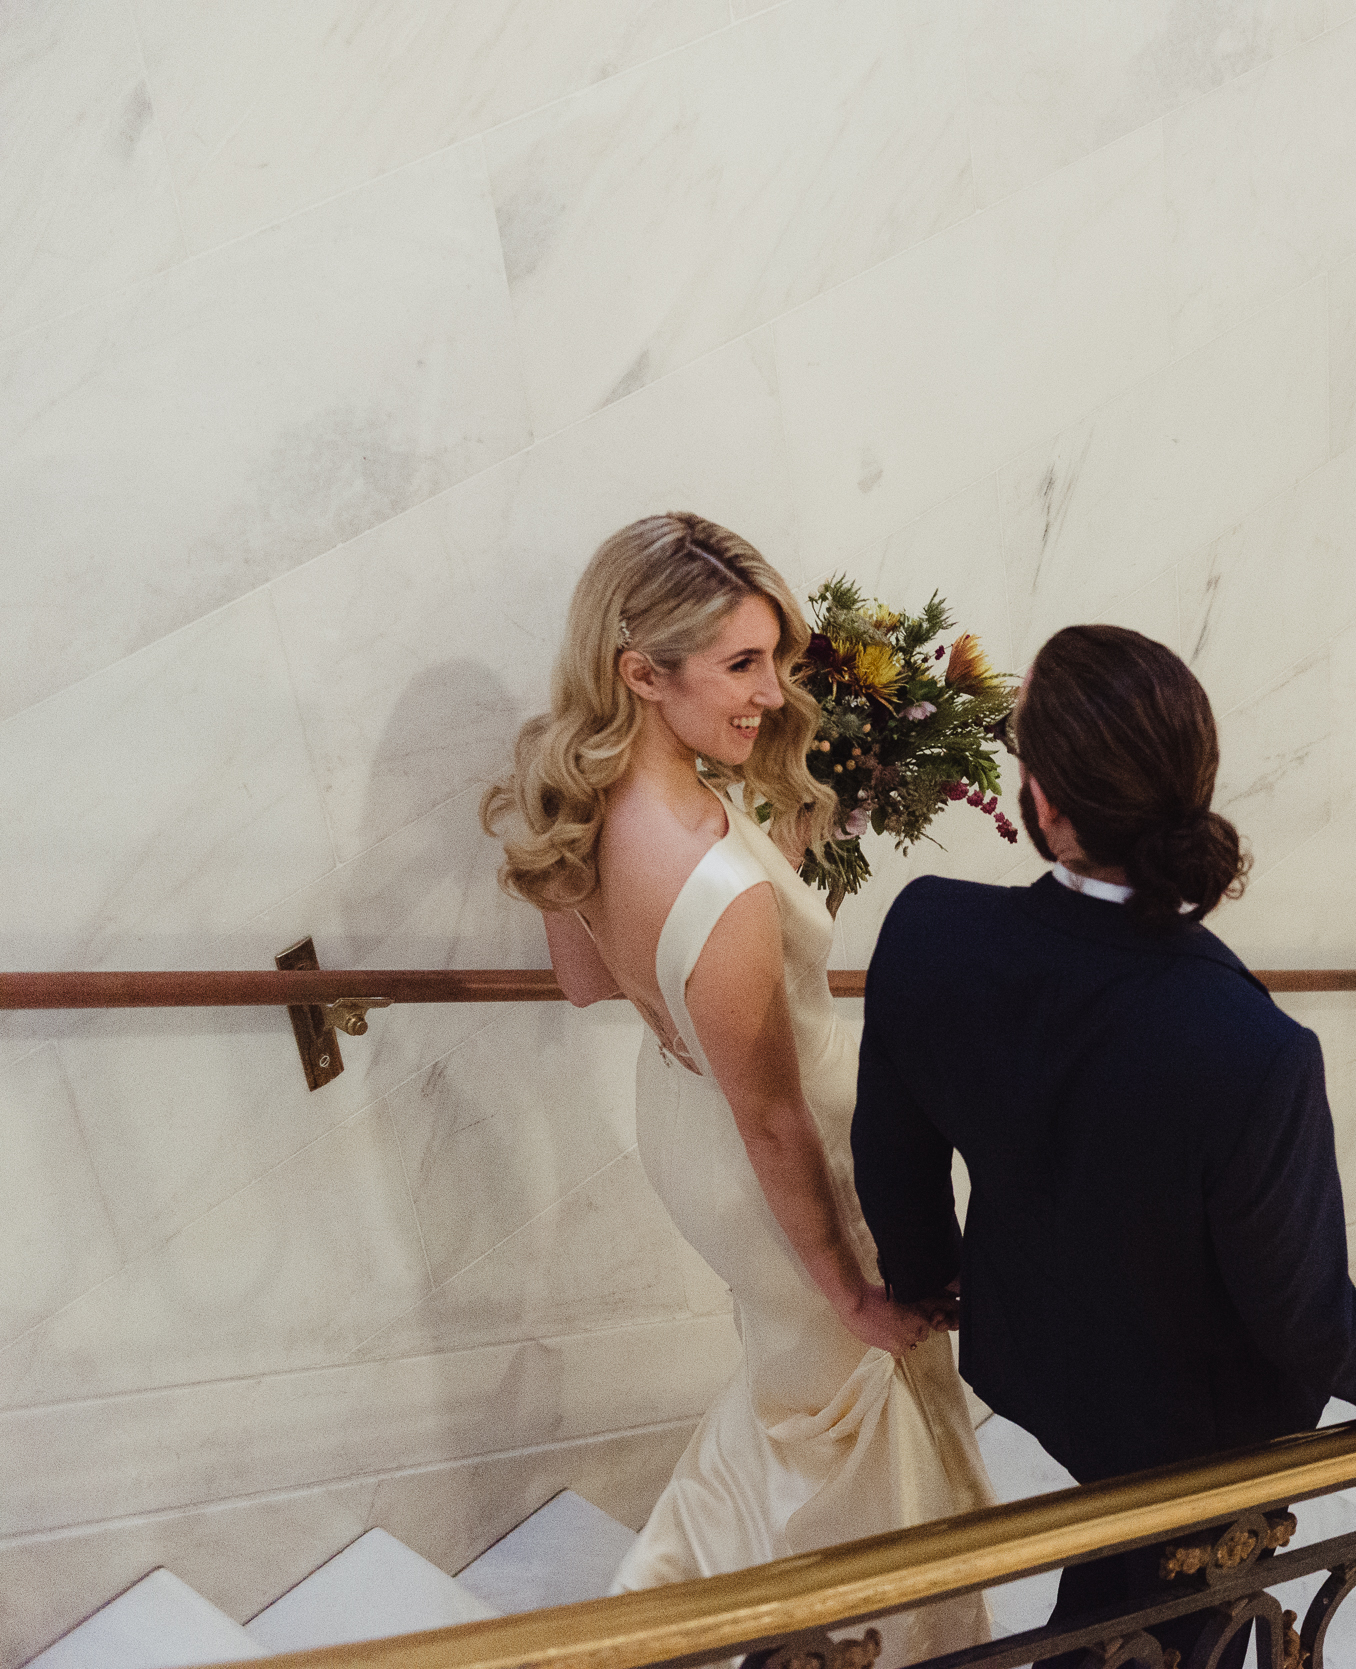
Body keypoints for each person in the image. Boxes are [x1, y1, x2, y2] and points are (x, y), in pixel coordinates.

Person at [851, 624, 1356, 1666]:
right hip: (1198, 1433)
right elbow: (1301, 1316)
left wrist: (931, 1280)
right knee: (1177, 1621)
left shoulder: (928, 933)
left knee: (1116, 1574)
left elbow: (892, 1155)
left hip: (1036, 1359)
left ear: (1041, 803)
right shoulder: (1252, 1051)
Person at [481, 513, 992, 1654]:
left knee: (797, 1392)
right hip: (780, 1163)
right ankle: (889, 1631)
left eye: (774, 655)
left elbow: (585, 982)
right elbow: (772, 1118)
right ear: (641, 673)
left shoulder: (594, 798)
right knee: (853, 1394)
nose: (772, 690)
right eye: (741, 665)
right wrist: (854, 1290)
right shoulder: (720, 885)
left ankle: (700, 1590)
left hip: (680, 1123)